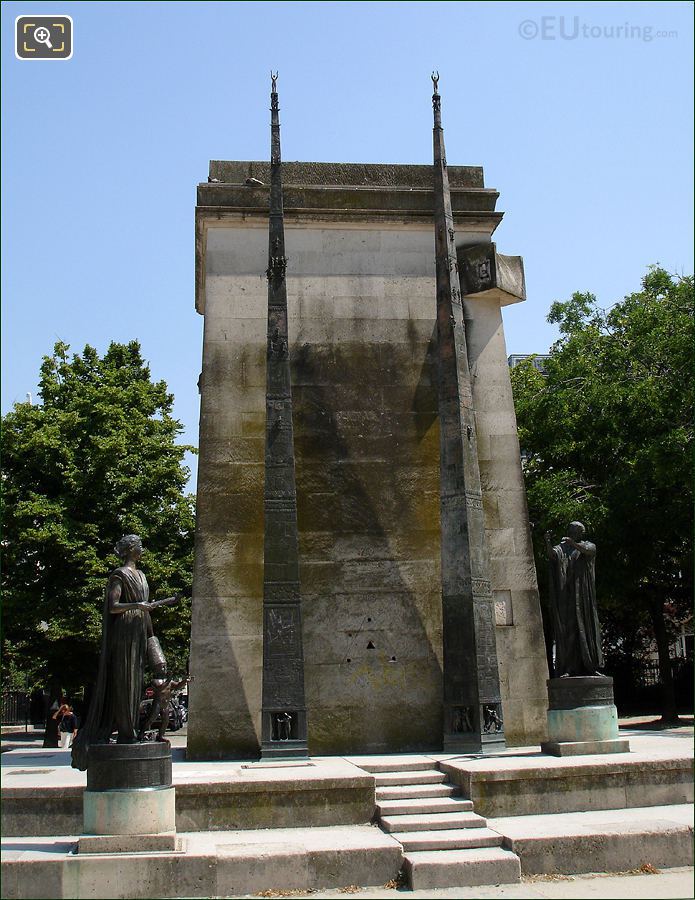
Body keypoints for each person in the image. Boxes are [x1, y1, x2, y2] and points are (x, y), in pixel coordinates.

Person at [71, 534, 179, 771]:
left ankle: (132, 732)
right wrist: (137, 606)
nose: (142, 549)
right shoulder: (119, 575)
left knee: (136, 682)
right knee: (124, 682)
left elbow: (146, 611)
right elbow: (113, 605)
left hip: (139, 632)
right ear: (131, 549)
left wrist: (153, 640)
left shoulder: (141, 576)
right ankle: (126, 733)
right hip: (124, 634)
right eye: (139, 546)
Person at [545, 522, 604, 677]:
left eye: (574, 531)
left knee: (587, 628)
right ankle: (569, 668)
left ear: (580, 533)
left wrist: (573, 544)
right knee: (569, 630)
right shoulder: (563, 548)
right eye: (570, 530)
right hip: (568, 596)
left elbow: (588, 551)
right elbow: (552, 555)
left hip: (584, 597)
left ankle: (591, 665)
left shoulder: (588, 545)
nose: (571, 533)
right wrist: (548, 542)